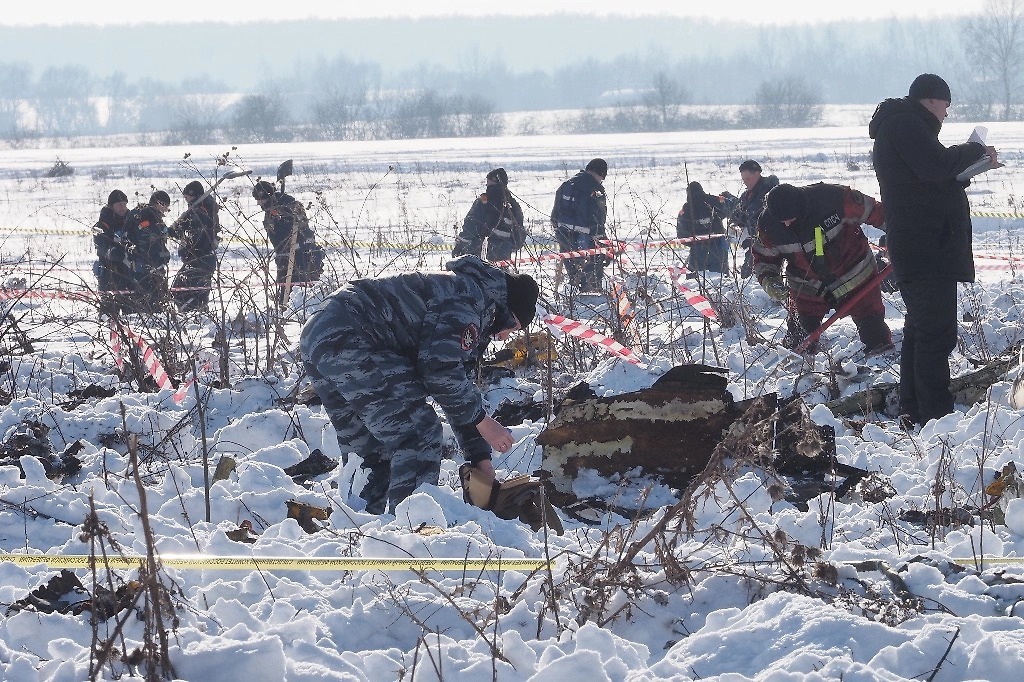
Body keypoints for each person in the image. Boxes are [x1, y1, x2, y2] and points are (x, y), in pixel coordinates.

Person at [299, 255, 539, 514]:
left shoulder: (472, 299)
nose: (505, 336)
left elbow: (459, 387)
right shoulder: (468, 300)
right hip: (352, 335)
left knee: (369, 448)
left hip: (321, 333)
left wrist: (480, 459)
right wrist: (483, 421)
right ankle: (414, 527)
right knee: (418, 436)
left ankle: (359, 526)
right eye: (513, 327)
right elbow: (440, 371)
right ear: (508, 310)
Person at [869, 73, 998, 425]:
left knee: (921, 330)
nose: (946, 113)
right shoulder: (905, 125)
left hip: (921, 244)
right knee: (937, 333)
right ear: (930, 100)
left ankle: (913, 408)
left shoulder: (902, 126)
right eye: (946, 105)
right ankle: (935, 414)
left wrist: (965, 171)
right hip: (924, 246)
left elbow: (926, 179)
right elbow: (934, 166)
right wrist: (974, 151)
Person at [755, 182, 892, 355]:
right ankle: (799, 365)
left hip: (856, 275)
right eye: (782, 221)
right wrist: (769, 280)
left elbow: (878, 212)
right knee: (798, 341)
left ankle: (880, 358)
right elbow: (764, 258)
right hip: (808, 288)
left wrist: (902, 235)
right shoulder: (768, 225)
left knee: (874, 331)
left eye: (790, 219)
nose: (787, 224)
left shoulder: (833, 197)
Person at [253, 180, 325, 304]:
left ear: (268, 196)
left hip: (300, 255)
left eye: (260, 199)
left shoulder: (288, 205)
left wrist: (288, 218)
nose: (258, 203)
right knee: (284, 291)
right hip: (284, 256)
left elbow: (300, 227)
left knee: (299, 290)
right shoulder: (270, 211)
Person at [550, 158, 608, 291]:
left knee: (573, 269)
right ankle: (592, 293)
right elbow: (599, 215)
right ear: (599, 173)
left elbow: (555, 214)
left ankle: (574, 295)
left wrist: (558, 229)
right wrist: (601, 236)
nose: (601, 181)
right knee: (592, 269)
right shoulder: (595, 189)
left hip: (564, 234)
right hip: (586, 236)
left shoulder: (567, 184)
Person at [452, 167, 527, 262]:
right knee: (500, 271)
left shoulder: (484, 200)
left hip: (479, 250)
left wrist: (460, 246)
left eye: (488, 181)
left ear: (495, 182)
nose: (486, 184)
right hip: (503, 254)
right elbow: (519, 232)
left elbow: (471, 224)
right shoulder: (512, 204)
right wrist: (510, 246)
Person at [721, 160, 779, 277]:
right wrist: (734, 224)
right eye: (743, 180)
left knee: (754, 274)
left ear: (757, 174)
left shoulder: (769, 191)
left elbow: (757, 213)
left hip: (768, 242)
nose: (746, 182)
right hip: (752, 242)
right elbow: (736, 214)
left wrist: (745, 220)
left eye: (748, 179)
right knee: (748, 275)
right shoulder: (747, 195)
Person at [169, 180, 220, 312]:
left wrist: (186, 247)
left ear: (193, 195)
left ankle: (194, 315)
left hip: (199, 258)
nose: (186, 199)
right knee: (185, 290)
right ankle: (196, 313)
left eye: (187, 196)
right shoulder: (199, 210)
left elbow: (197, 235)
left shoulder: (201, 212)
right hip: (200, 258)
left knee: (185, 291)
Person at [123, 191, 172, 314]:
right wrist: (161, 260)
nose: (165, 211)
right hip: (147, 269)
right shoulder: (149, 220)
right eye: (165, 207)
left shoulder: (147, 217)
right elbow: (150, 246)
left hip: (143, 268)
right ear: (159, 203)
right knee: (150, 306)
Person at [93, 189, 133, 317]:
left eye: (125, 204)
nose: (123, 208)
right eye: (119, 205)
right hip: (109, 274)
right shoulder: (101, 225)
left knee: (132, 316)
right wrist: (115, 252)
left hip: (129, 275)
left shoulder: (130, 221)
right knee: (108, 316)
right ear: (112, 206)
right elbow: (101, 247)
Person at [676, 181, 730, 275]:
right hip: (718, 247)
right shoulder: (712, 201)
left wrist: (693, 244)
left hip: (697, 250)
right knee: (721, 277)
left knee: (696, 279)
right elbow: (728, 208)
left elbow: (681, 234)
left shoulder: (685, 209)